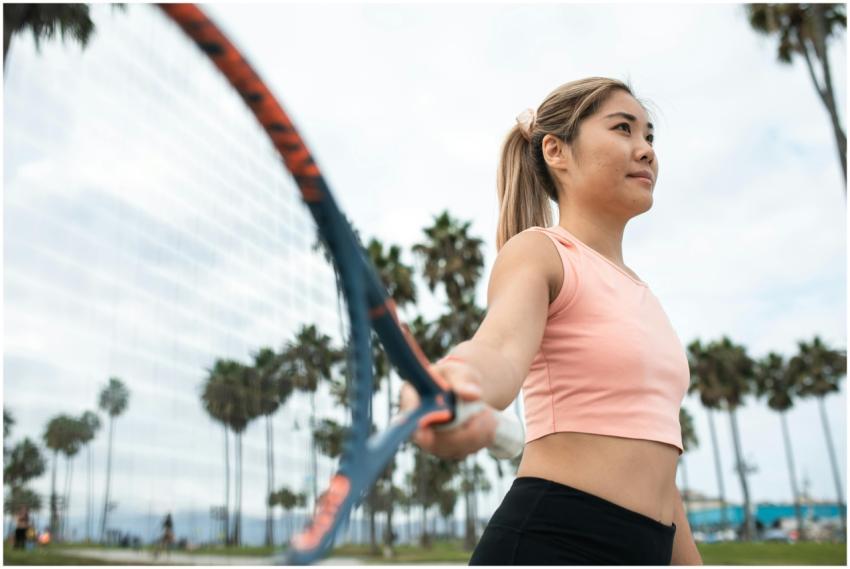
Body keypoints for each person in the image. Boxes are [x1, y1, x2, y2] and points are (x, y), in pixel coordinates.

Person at [400, 77, 703, 565]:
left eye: (649, 136)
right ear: (556, 151)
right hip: (555, 541)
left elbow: (659, 464)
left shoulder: (644, 294)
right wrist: (458, 380)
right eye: (623, 129)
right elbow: (497, 347)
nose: (645, 150)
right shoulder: (541, 252)